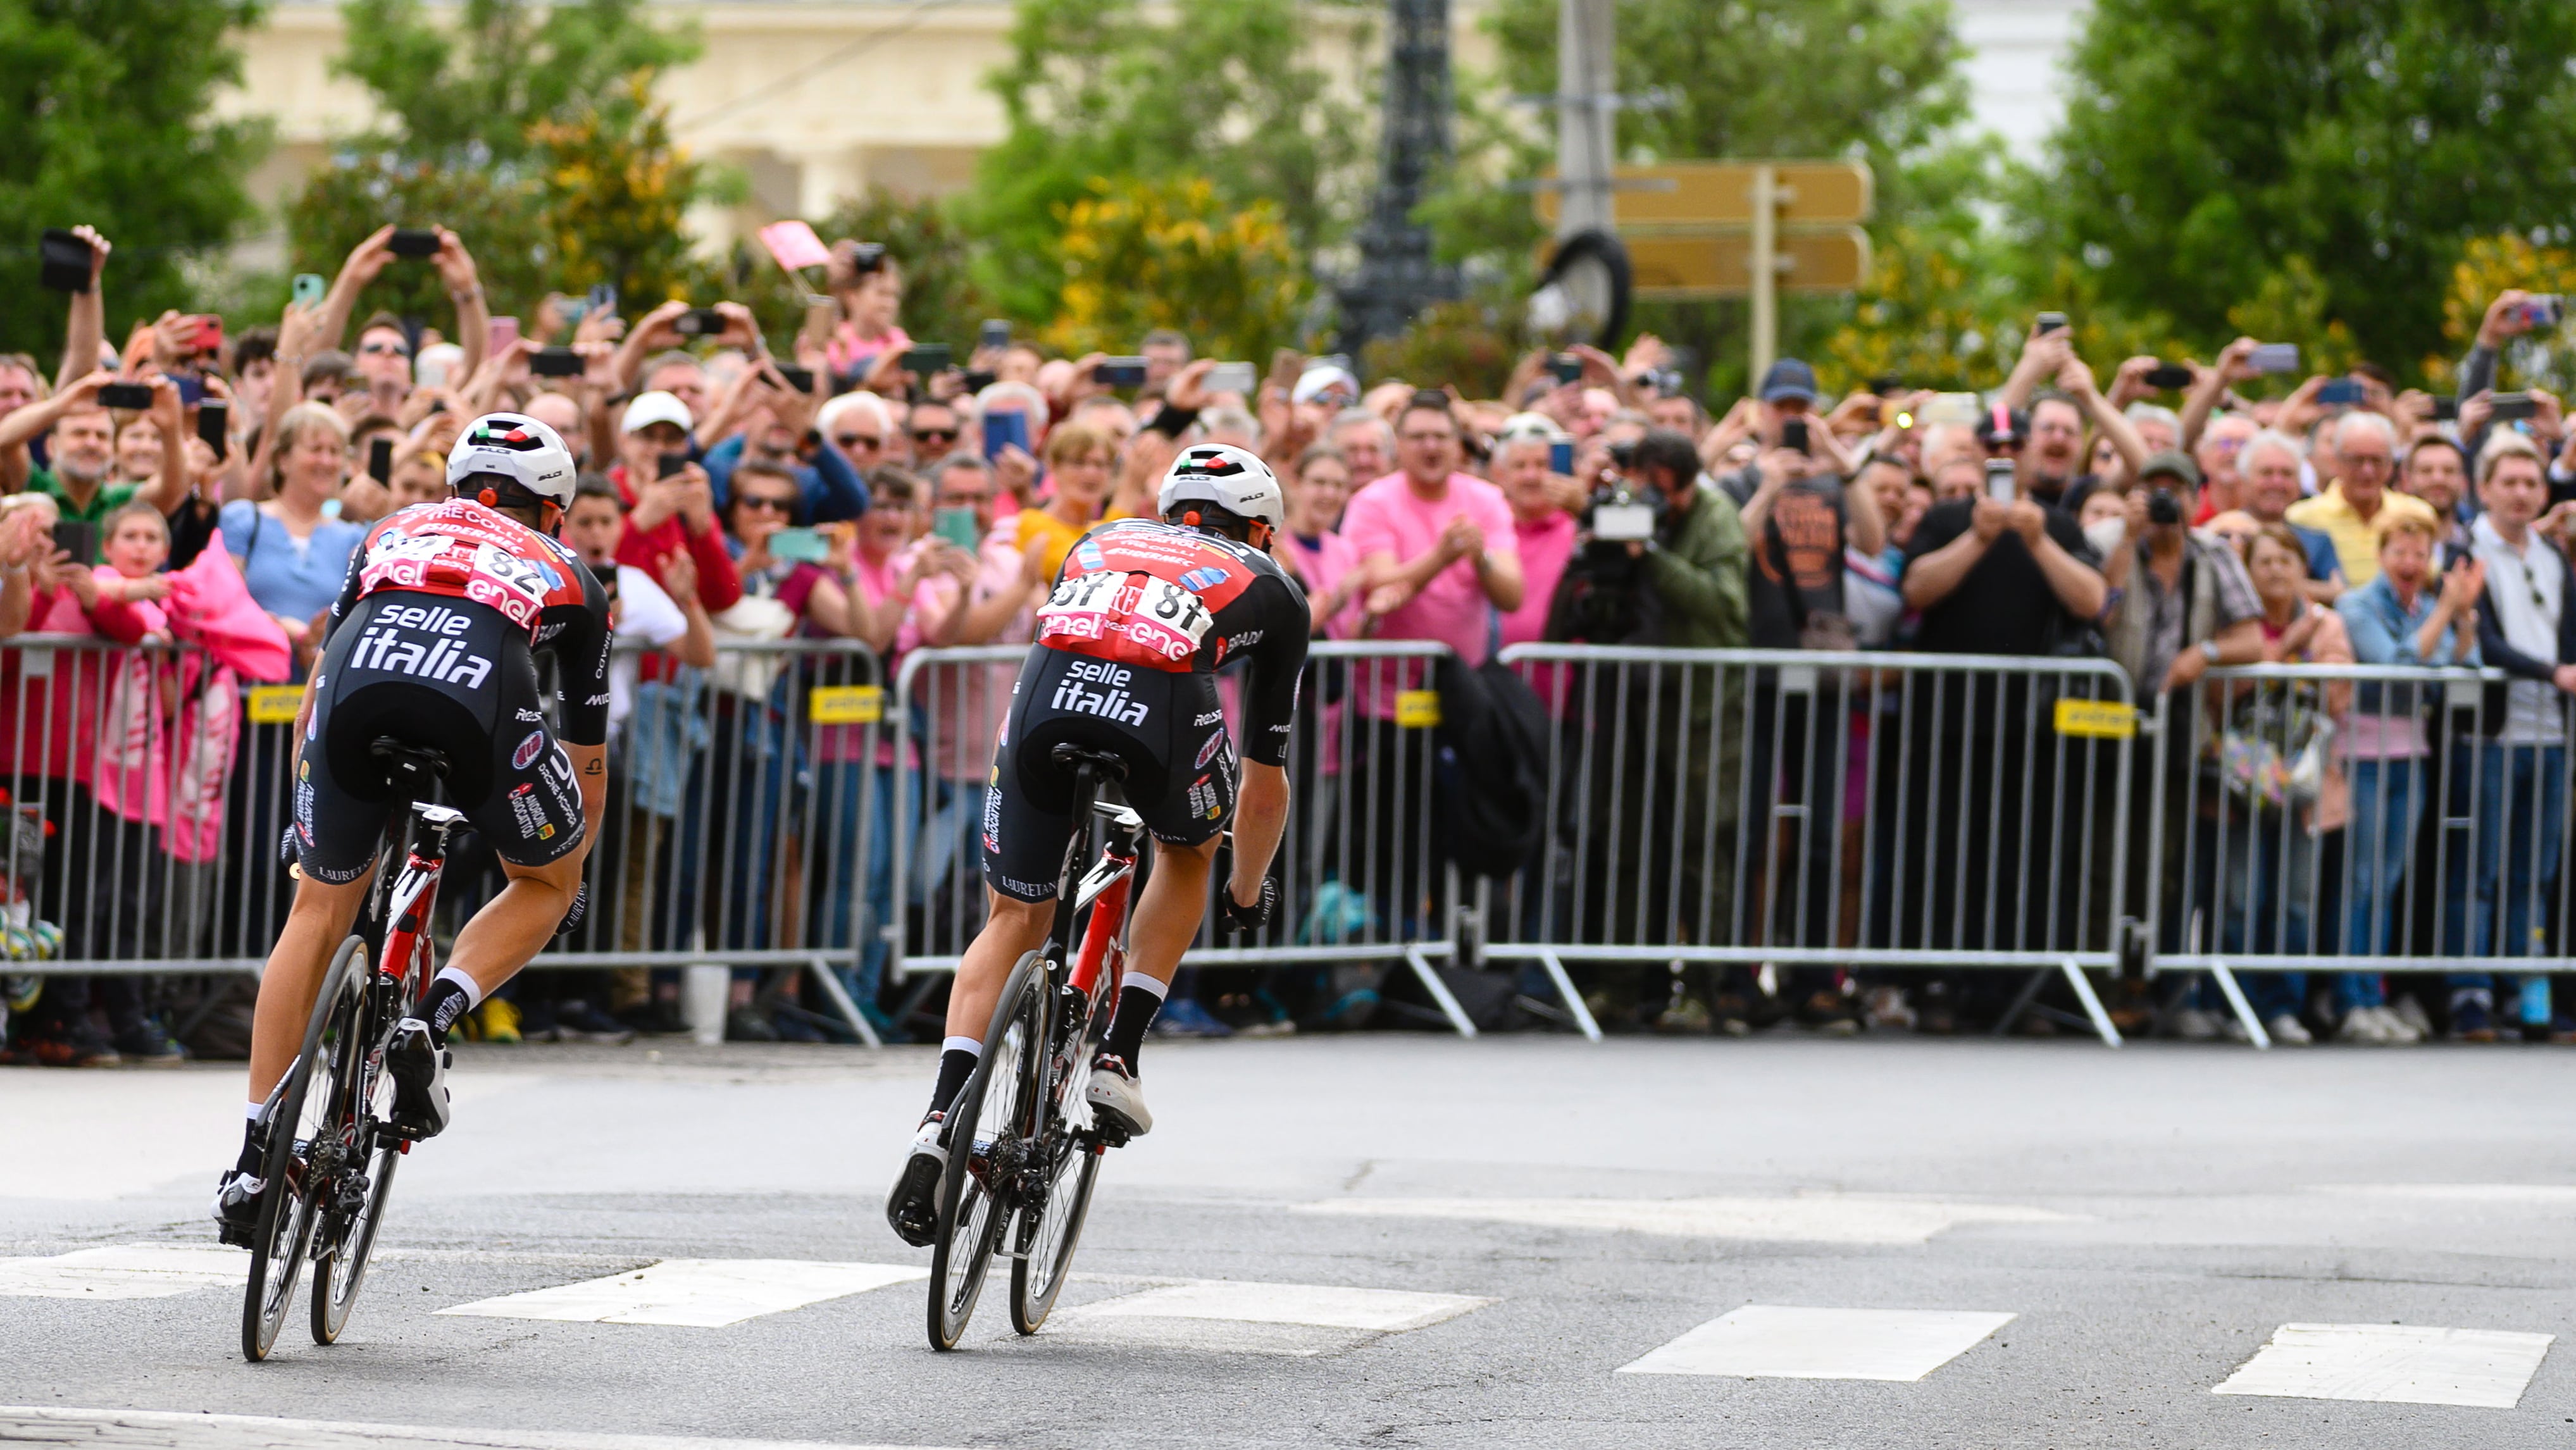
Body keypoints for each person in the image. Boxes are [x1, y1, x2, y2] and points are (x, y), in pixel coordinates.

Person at [883, 443, 1309, 1246]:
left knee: (1012, 917)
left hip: (1049, 699)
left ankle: (940, 1118)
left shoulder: (1097, 539)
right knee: (1189, 849)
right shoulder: (1276, 589)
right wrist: (1248, 889)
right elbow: (1264, 776)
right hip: (1162, 707)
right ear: (1261, 529)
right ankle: (1117, 1054)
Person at [212, 413, 612, 1242]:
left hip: (355, 692)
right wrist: (566, 863)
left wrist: (306, 815)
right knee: (546, 880)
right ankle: (427, 1018)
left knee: (317, 912)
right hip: (480, 700)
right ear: (555, 512)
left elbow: (317, 685)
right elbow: (586, 757)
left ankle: (255, 1159)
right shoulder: (574, 574)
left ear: (453, 489)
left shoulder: (387, 531)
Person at [2333, 514, 2479, 1046]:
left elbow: (2463, 668)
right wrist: (2443, 612)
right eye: (2401, 553)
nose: (2411, 565)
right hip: (2363, 756)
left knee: (2389, 882)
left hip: (2410, 753)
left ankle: (2373, 993)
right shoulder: (2357, 605)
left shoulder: (2425, 610)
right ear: (2381, 554)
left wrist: (2461, 619)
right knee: (2362, 882)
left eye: (2421, 555)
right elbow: (2396, 663)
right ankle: (2351, 999)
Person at [2451, 435, 2576, 1039]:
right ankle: (2469, 993)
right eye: (2510, 482)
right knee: (2479, 868)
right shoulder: (2465, 550)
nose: (2522, 493)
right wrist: (2550, 672)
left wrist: (2561, 673)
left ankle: (2528, 996)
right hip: (2491, 736)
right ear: (2484, 488)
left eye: (2532, 483)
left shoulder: (2552, 556)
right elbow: (2484, 643)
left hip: (2549, 735)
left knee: (2536, 871)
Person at [2288, 411, 2437, 588]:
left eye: (2377, 461)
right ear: (2337, 462)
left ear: (2391, 465)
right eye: (2357, 460)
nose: (2367, 471)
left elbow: (2430, 580)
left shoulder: (2417, 514)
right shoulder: (2302, 517)